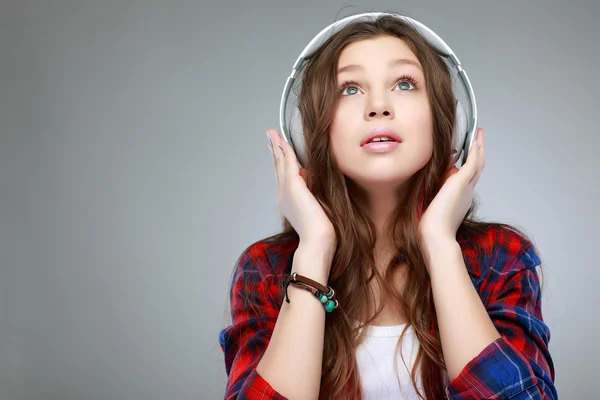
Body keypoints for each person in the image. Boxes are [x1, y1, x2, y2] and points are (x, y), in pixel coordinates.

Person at [219, 13, 557, 400]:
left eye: (404, 83)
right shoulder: (265, 268)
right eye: (349, 89)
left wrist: (440, 244)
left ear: (450, 122)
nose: (378, 106)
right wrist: (313, 249)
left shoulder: (503, 257)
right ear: (306, 133)